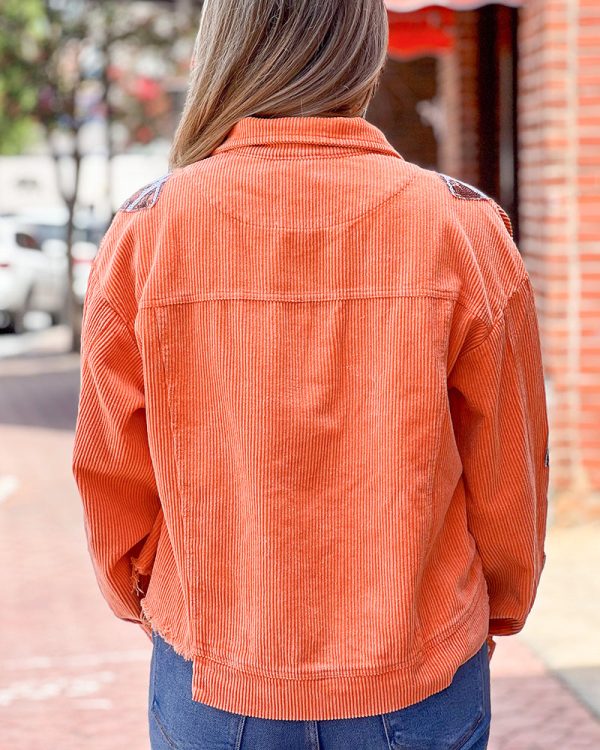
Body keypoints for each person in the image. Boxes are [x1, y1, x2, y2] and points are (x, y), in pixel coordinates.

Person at [71, 1, 550, 748]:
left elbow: (112, 475)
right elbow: (508, 479)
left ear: (225, 44)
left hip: (212, 671)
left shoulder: (148, 231)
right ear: (364, 45)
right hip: (420, 674)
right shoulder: (461, 228)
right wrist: (495, 608)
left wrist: (151, 599)